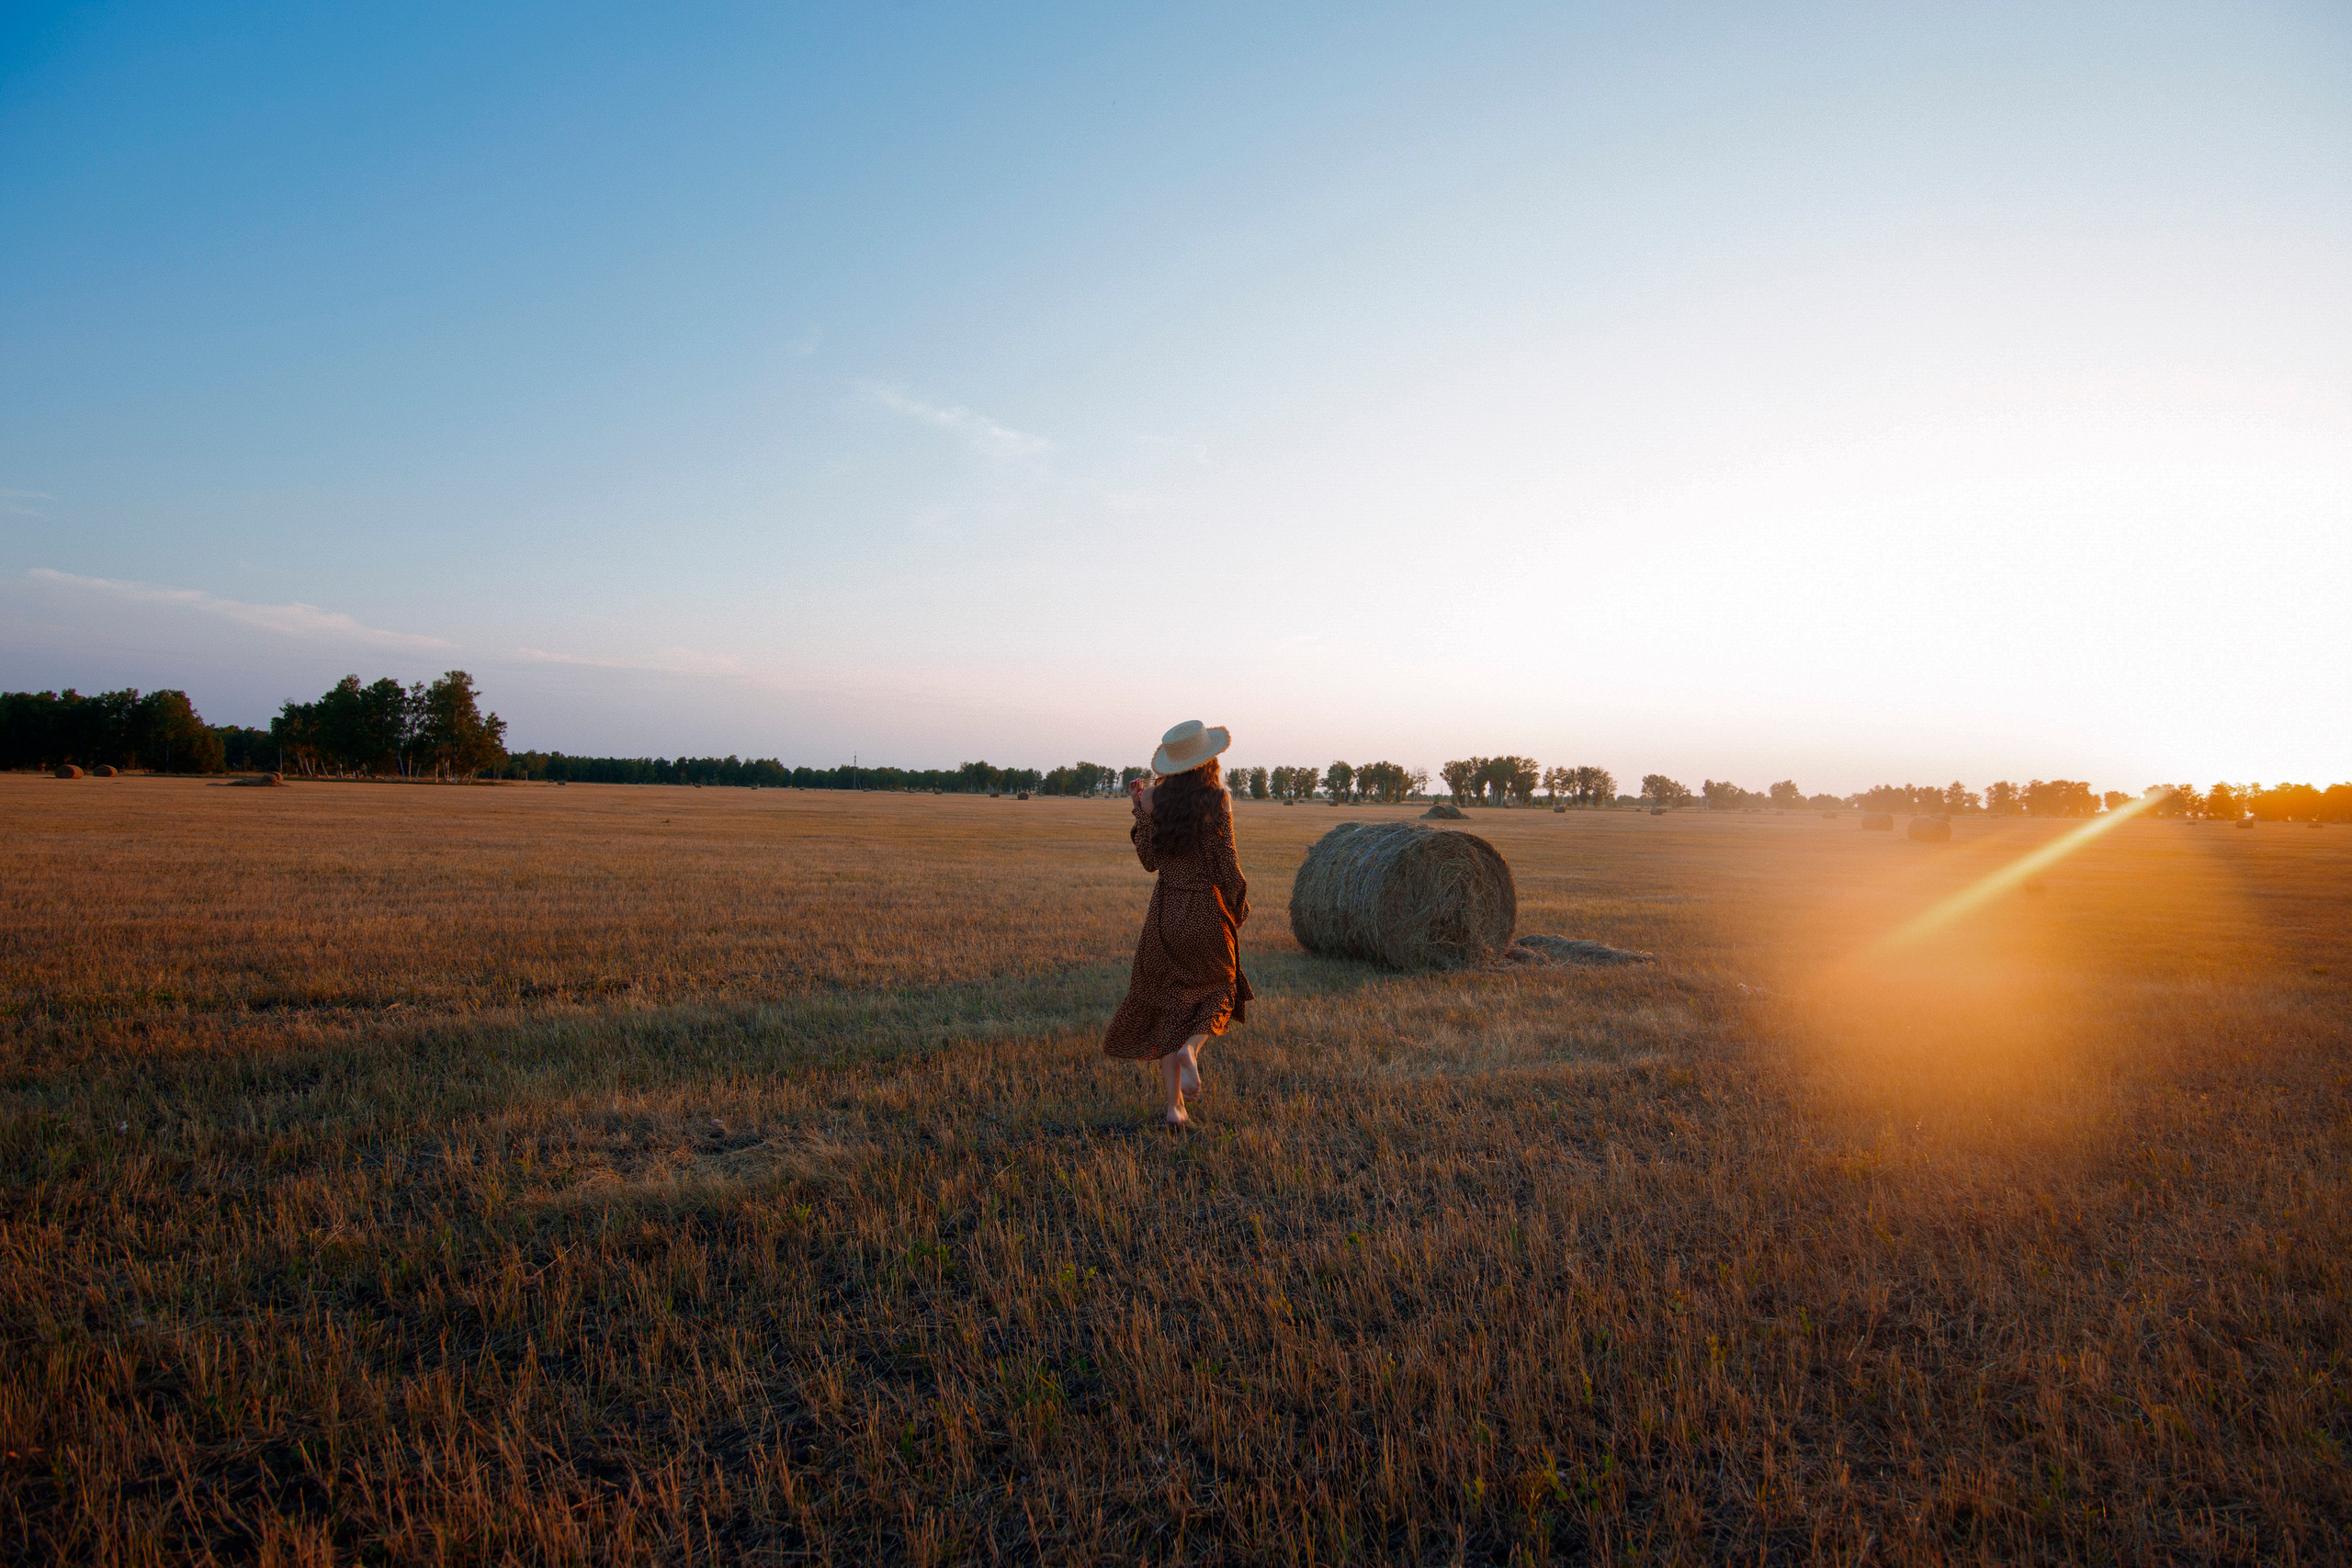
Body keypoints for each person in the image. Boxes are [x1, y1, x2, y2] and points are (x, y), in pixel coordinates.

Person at [1102, 719, 1253, 1125]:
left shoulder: (1151, 798)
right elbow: (1227, 865)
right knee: (1221, 990)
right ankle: (1192, 1047)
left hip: (1166, 913)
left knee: (1170, 1006)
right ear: (1209, 758)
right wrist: (1238, 907)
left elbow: (1150, 863)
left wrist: (1139, 809)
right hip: (1206, 910)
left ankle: (1174, 1108)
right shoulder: (1218, 799)